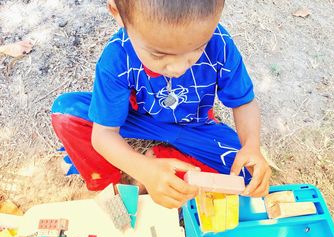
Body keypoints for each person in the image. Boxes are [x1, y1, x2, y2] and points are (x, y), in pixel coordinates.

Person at [51, 0, 271, 208]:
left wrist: (251, 145)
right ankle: (111, 185)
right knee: (67, 114)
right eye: (159, 54)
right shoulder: (117, 57)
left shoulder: (220, 43)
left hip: (194, 127)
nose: (177, 69)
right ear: (118, 13)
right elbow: (104, 133)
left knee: (247, 178)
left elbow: (244, 103)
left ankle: (164, 161)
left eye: (197, 49)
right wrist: (143, 170)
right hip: (136, 120)